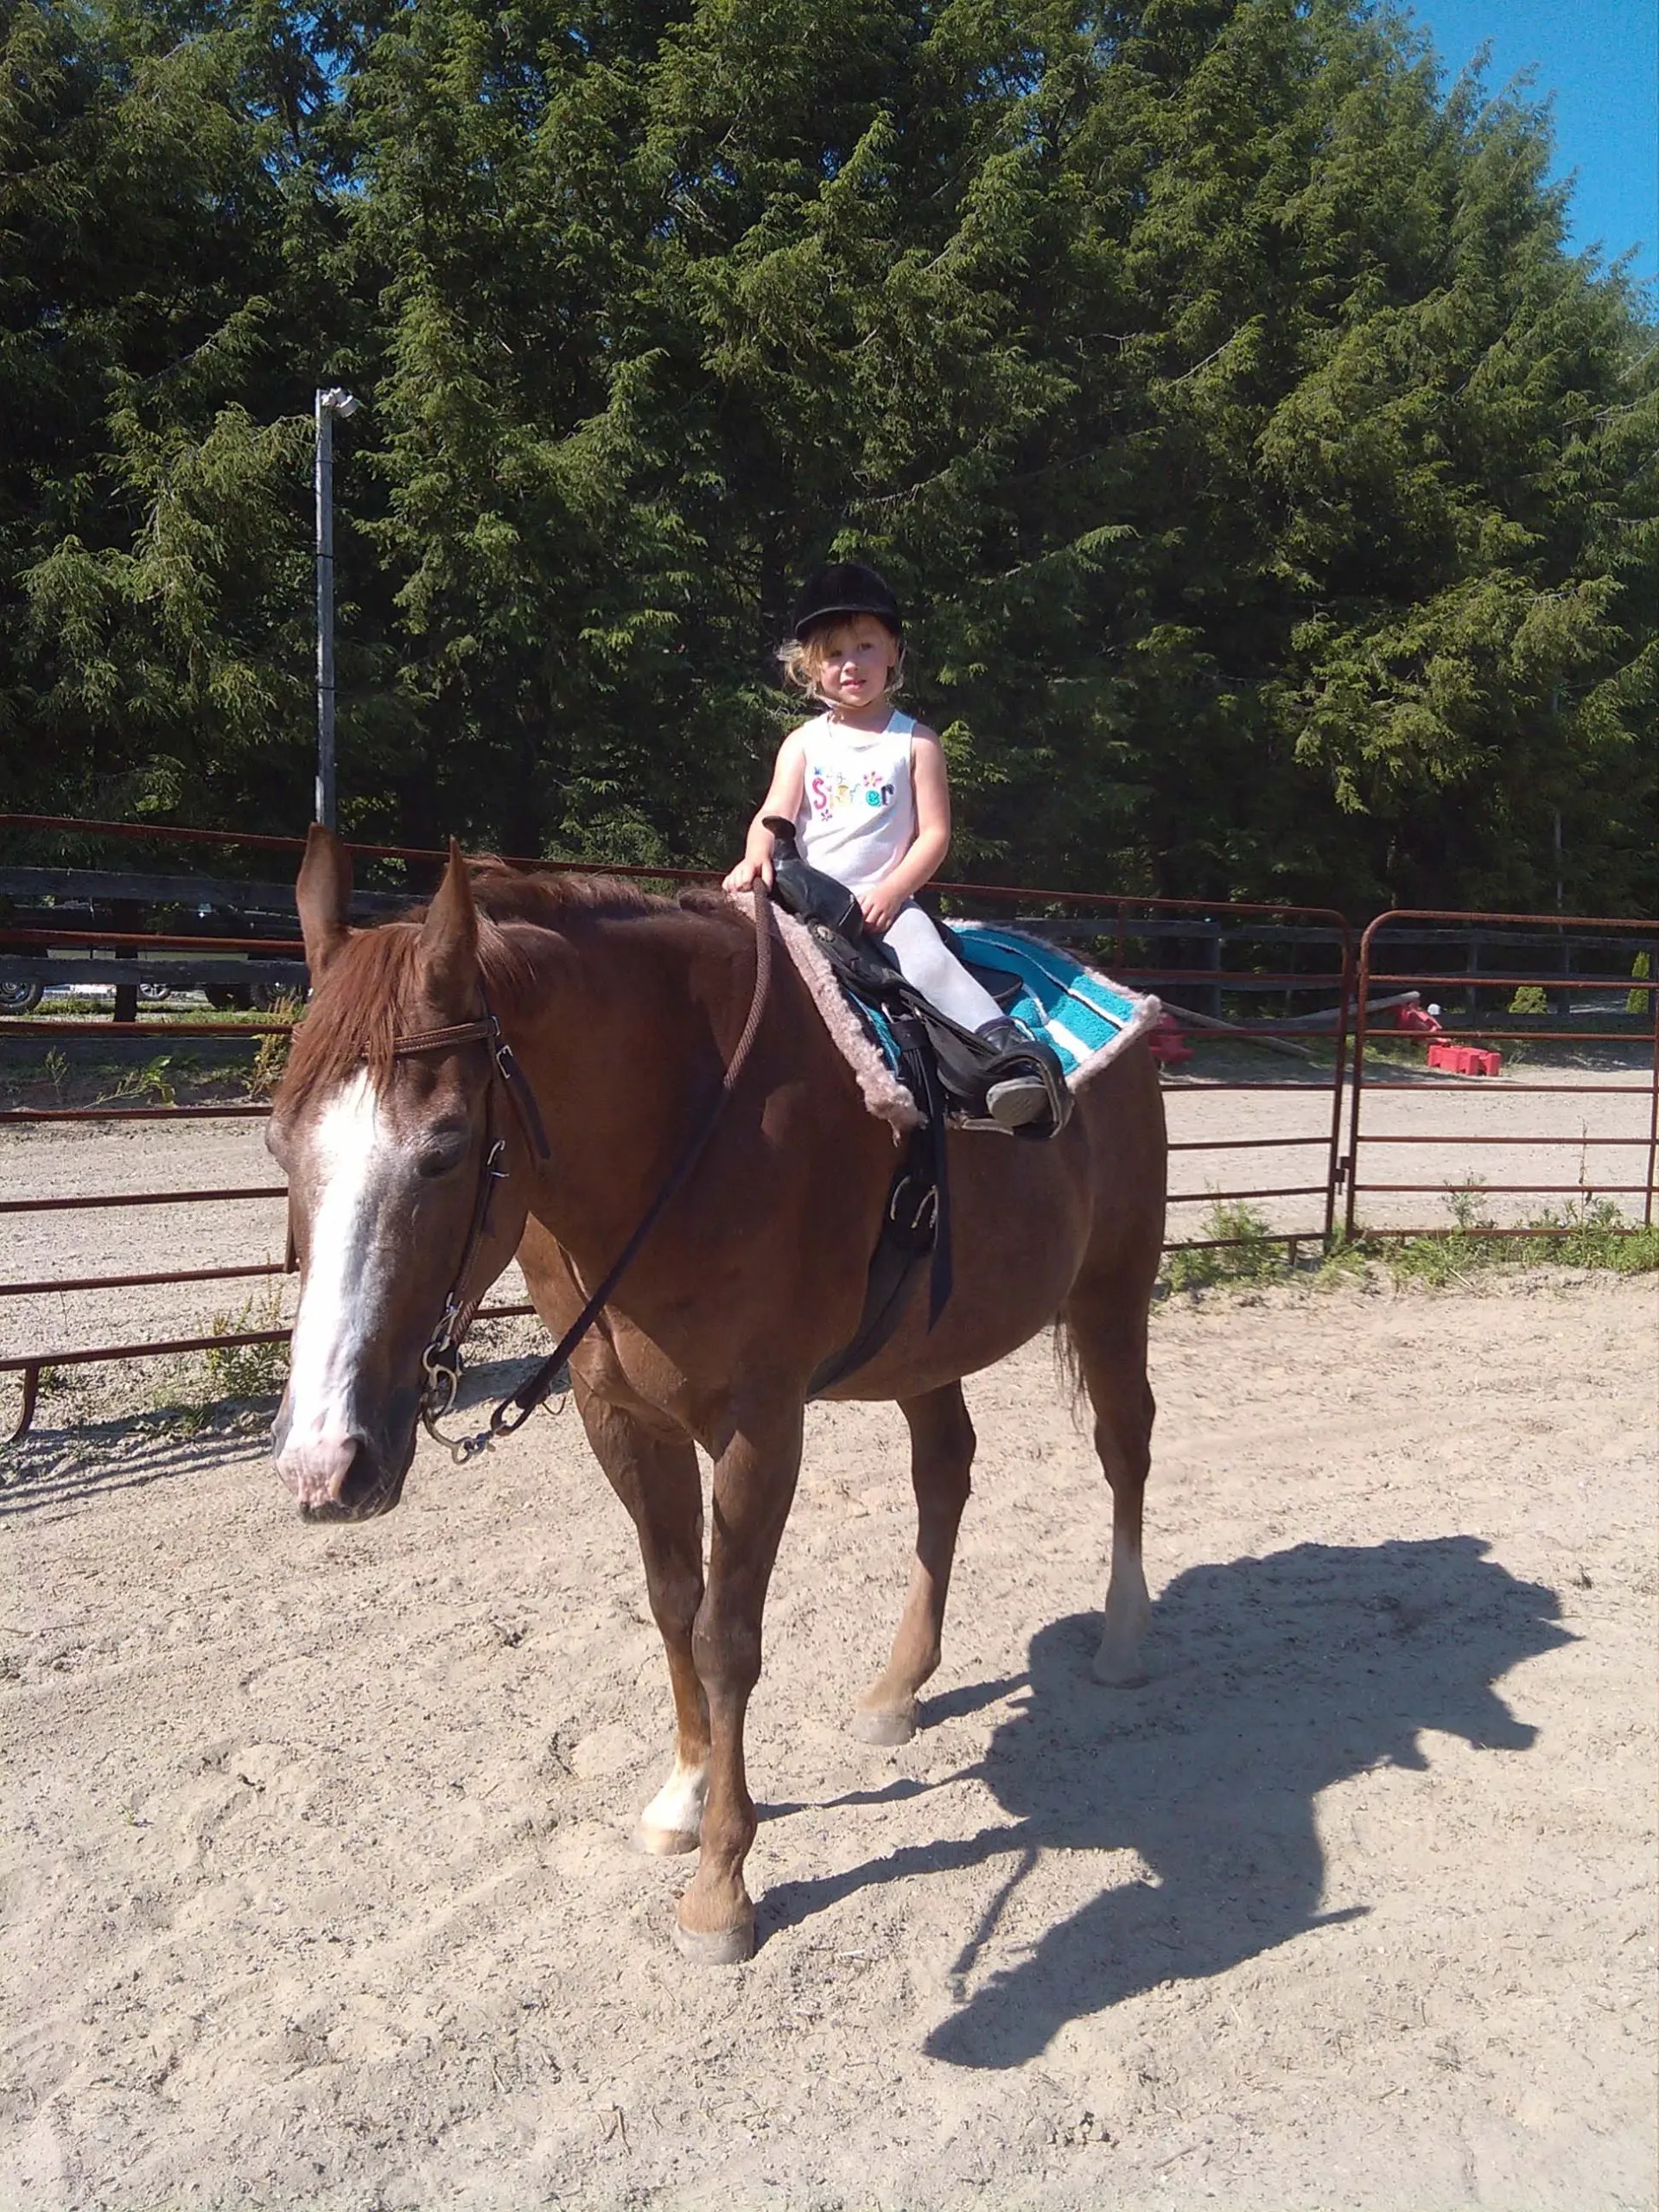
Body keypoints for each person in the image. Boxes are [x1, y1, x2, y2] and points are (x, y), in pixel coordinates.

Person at [723, 561, 1058, 1130]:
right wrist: (755, 856)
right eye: (833, 653)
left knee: (928, 961)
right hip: (807, 900)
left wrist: (896, 888)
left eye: (865, 646)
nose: (850, 664)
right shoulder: (802, 744)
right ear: (811, 667)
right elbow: (774, 814)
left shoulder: (916, 743)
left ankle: (1005, 1057)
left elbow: (935, 835)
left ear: (894, 653)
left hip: (883, 902)